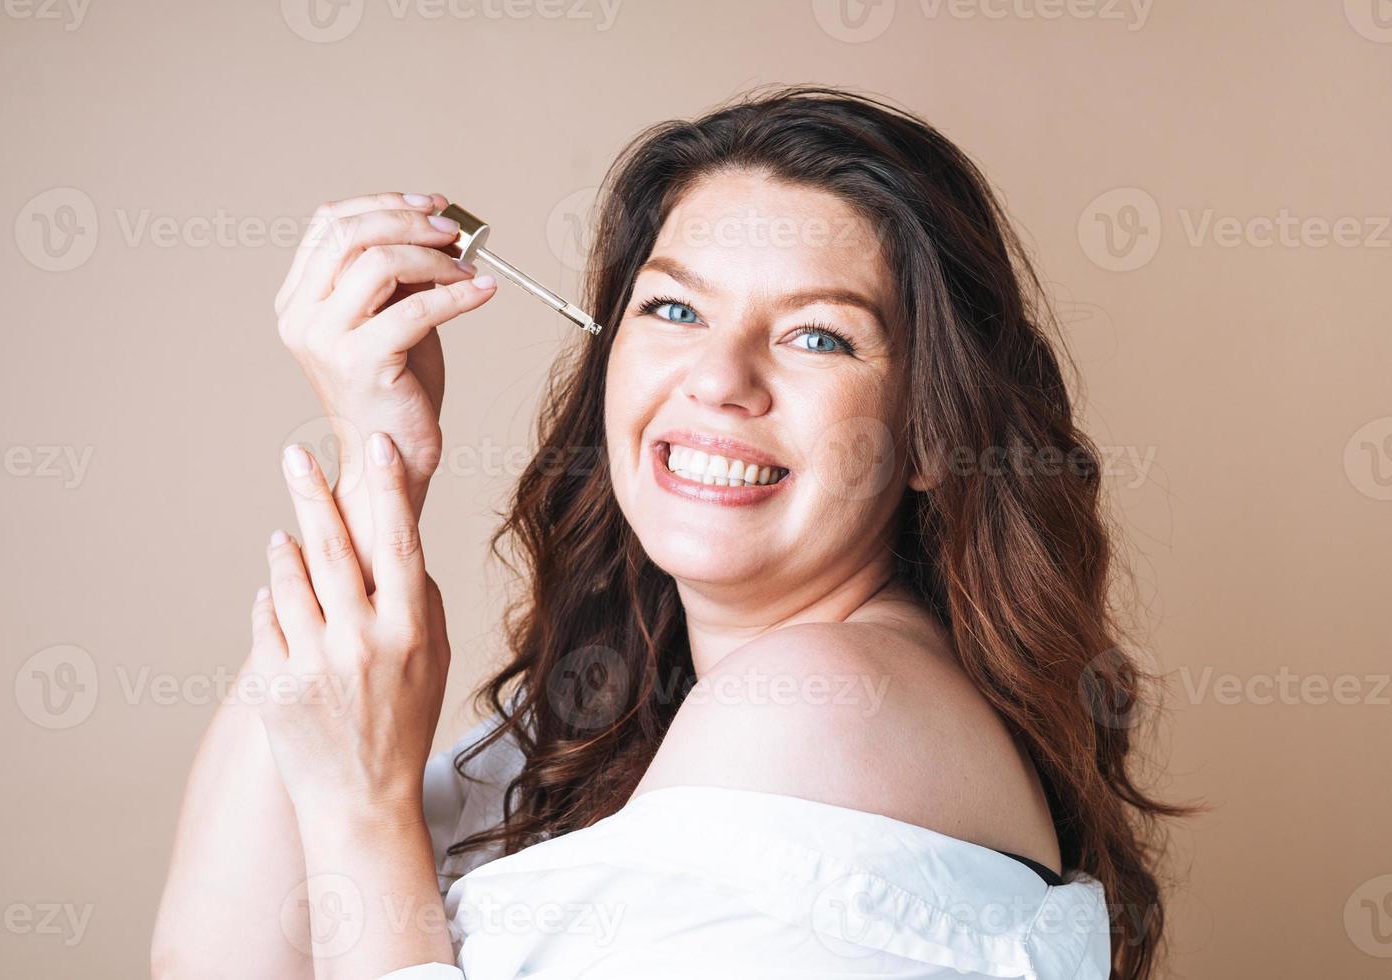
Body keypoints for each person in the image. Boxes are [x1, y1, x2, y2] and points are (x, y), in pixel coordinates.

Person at [152, 85, 1184, 979]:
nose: (718, 379)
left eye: (817, 335)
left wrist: (367, 807)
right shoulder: (666, 711)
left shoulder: (821, 709)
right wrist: (380, 454)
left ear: (931, 431)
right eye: (675, 311)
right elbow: (229, 956)